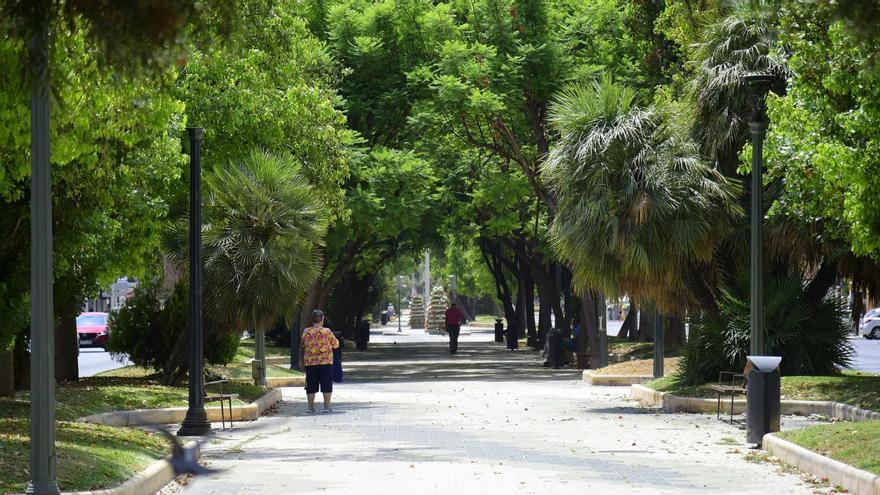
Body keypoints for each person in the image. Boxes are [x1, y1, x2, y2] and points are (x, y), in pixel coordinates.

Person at [301, 310, 340, 413]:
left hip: (310, 363)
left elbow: (303, 344)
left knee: (311, 385)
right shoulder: (327, 331)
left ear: (312, 319)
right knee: (326, 384)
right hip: (326, 362)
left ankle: (310, 407)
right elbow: (336, 344)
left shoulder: (306, 332)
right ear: (322, 319)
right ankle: (326, 407)